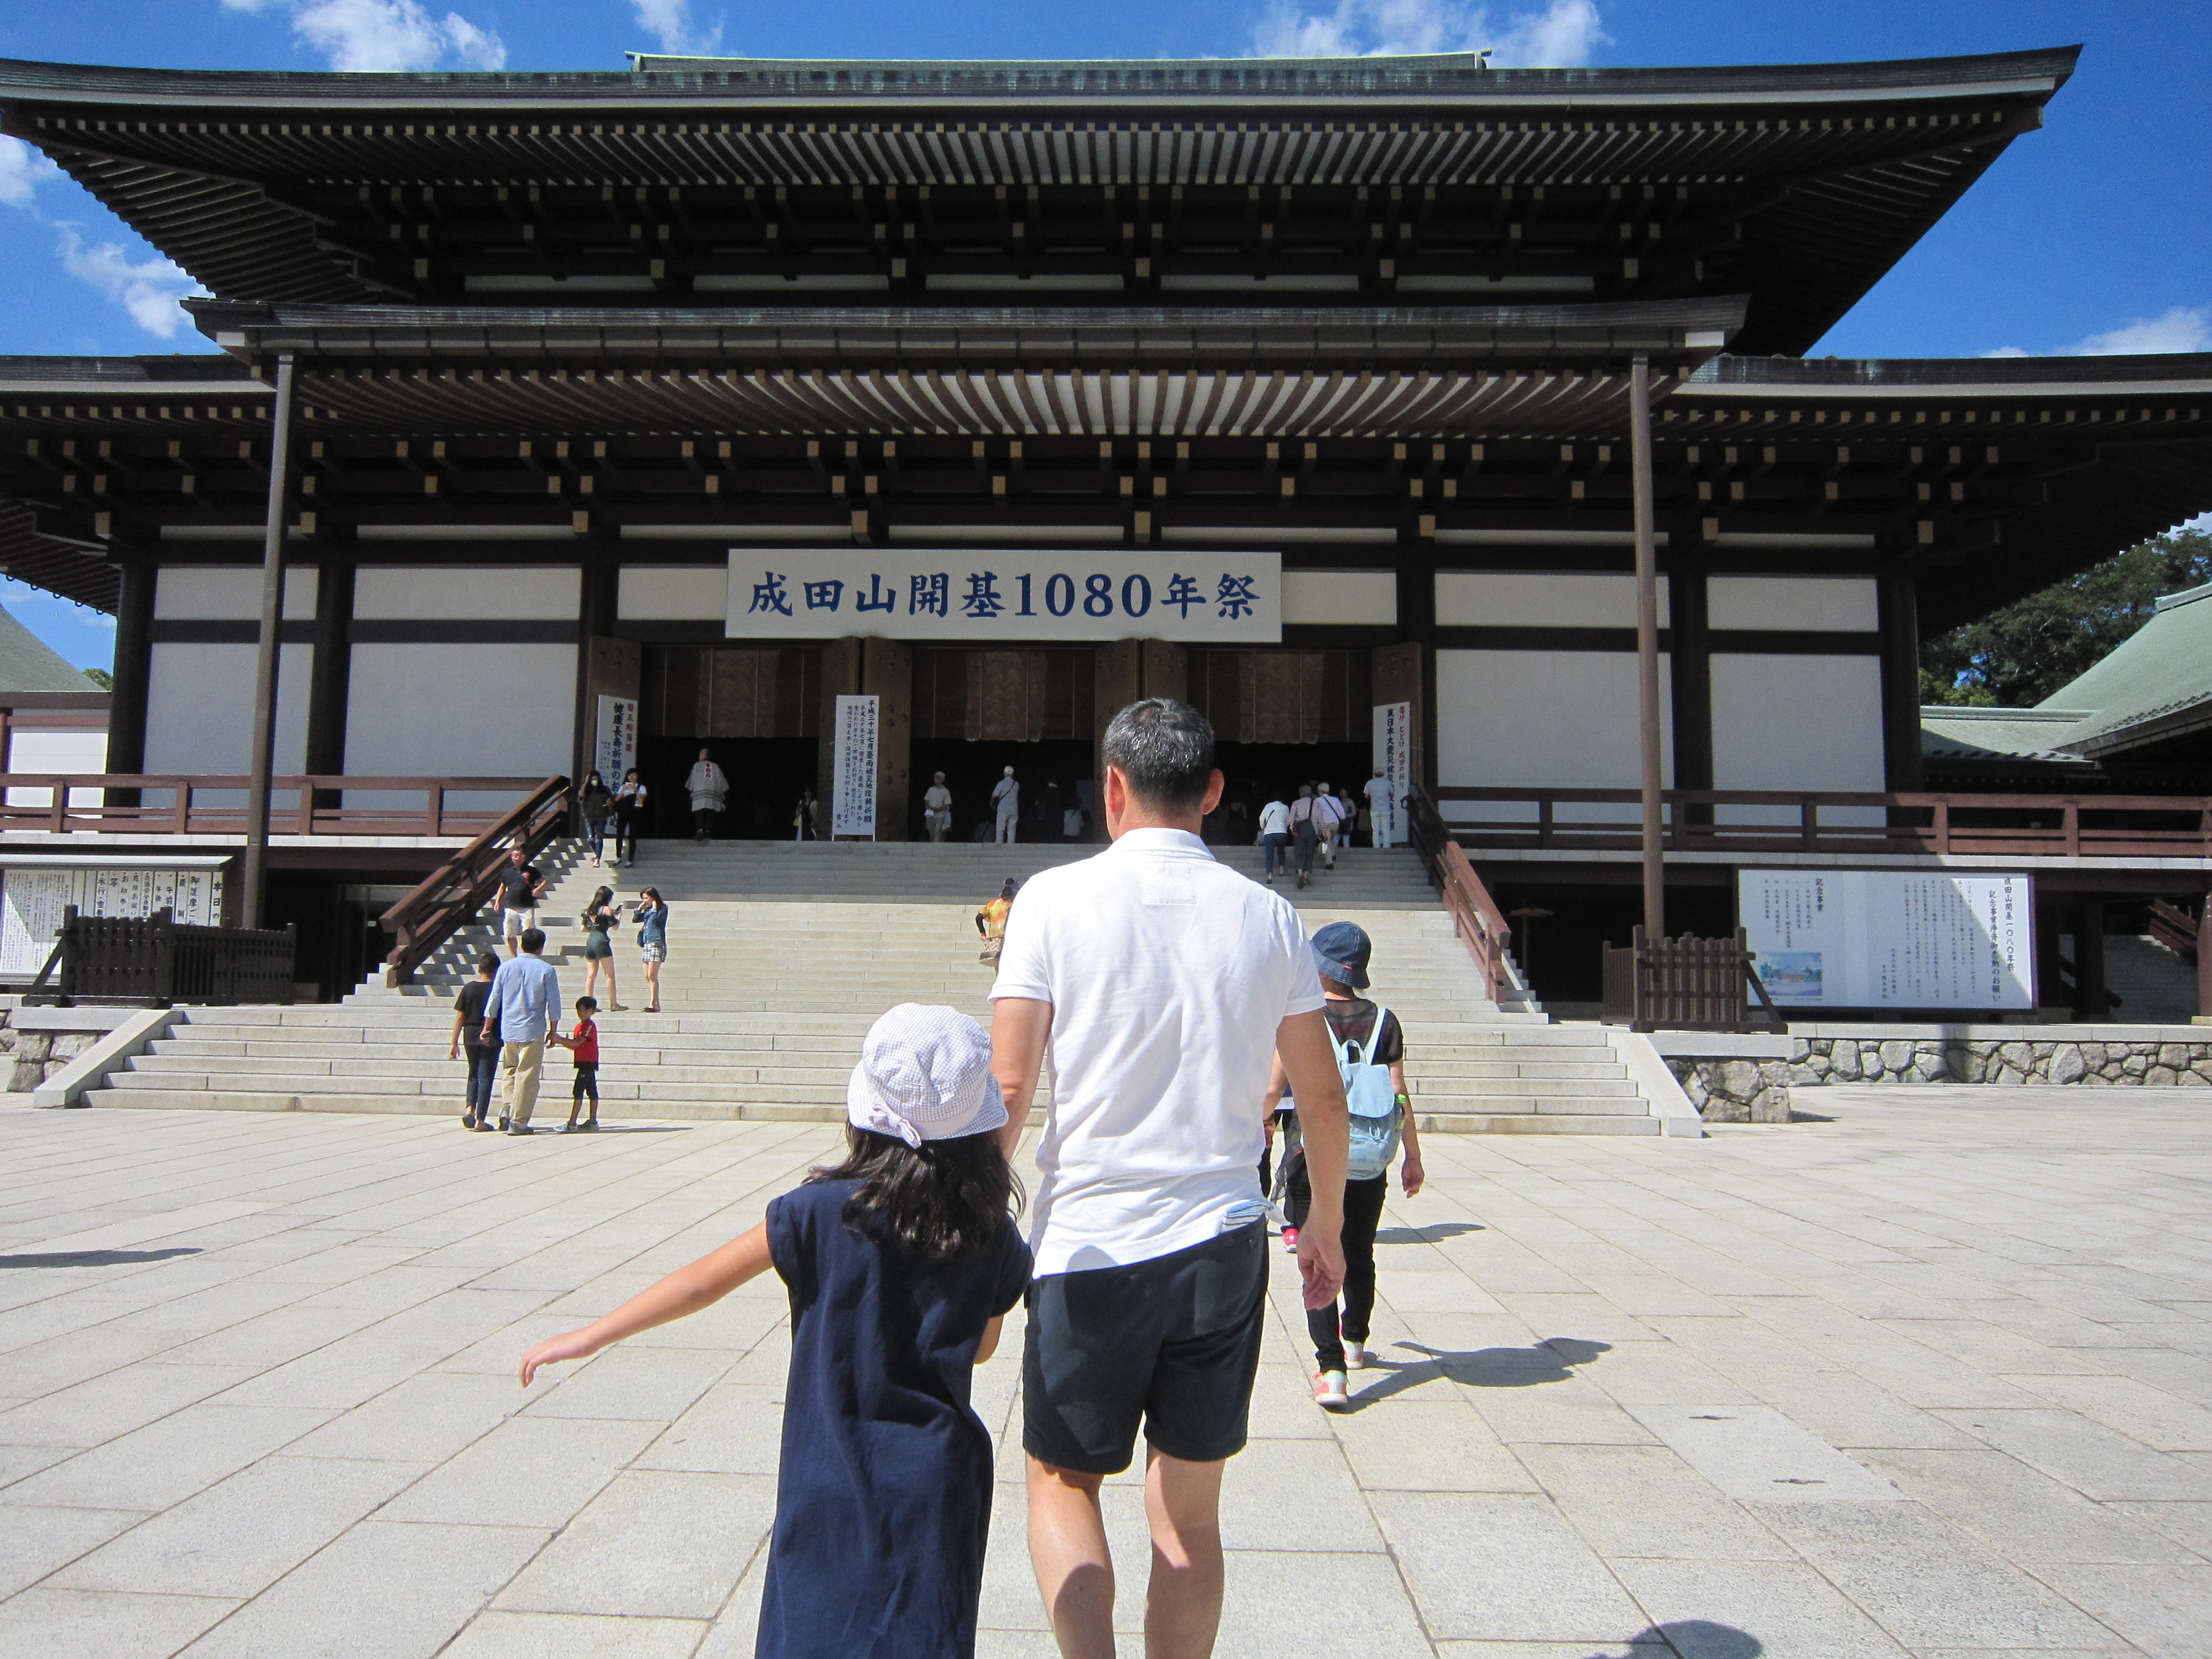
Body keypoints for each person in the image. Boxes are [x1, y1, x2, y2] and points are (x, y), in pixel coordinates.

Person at [988, 697, 1350, 1659]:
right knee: (1188, 1511)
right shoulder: (1271, 915)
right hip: (1223, 1243)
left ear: (1112, 787)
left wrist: (973, 1239)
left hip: (1089, 1245)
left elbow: (1011, 1086)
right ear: (1216, 793)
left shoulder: (1052, 903)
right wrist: (1327, 1229)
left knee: (1064, 1483)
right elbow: (1320, 1099)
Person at [518, 1002, 1030, 1659]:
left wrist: (591, 1334)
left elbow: (700, 1282)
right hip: (938, 1479)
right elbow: (981, 1350)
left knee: (812, 1631)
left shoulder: (818, 1214)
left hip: (829, 1471)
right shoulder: (991, 1230)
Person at [1262, 922, 1423, 1411]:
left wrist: (1261, 1122)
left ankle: (1330, 1370)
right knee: (1359, 1248)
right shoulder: (1385, 1020)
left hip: (1312, 1155)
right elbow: (1398, 1093)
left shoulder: (1302, 1016)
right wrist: (1412, 1156)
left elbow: (1273, 1087)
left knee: (1317, 1253)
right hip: (1371, 1154)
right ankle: (1354, 1341)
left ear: (1319, 966)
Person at [482, 926, 560, 1135]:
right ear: (541, 947)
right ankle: (519, 1121)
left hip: (509, 1027)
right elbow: (554, 1004)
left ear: (522, 944)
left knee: (510, 1070)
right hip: (532, 1029)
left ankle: (507, 1107)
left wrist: (487, 1026)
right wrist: (554, 1031)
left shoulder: (506, 968)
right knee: (527, 1075)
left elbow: (494, 999)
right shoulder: (546, 970)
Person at [448, 952, 502, 1131]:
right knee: (486, 1077)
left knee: (473, 1074)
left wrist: (454, 1042)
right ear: (497, 970)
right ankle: (481, 1119)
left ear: (480, 968)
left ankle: (469, 1110)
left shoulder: (468, 988)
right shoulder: (497, 989)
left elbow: (460, 1017)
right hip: (490, 1035)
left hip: (470, 1034)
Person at [550, 995, 602, 1133]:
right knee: (591, 1090)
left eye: (585, 1011)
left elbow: (578, 1042)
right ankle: (592, 1121)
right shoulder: (580, 1026)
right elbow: (576, 1045)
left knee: (578, 1091)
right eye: (580, 1011)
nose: (582, 1014)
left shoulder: (588, 1026)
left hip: (587, 1062)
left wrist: (560, 1040)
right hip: (584, 1061)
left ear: (592, 1011)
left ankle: (572, 1123)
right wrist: (562, 1042)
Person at [578, 885, 627, 1012]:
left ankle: (589, 1006)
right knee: (610, 975)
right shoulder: (606, 909)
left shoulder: (590, 910)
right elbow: (615, 927)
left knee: (591, 975)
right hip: (602, 941)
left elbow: (583, 929)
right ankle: (614, 1004)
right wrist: (619, 916)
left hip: (591, 941)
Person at [494, 846, 546, 959]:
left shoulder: (531, 870)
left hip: (527, 906)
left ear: (524, 857)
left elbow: (544, 881)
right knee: (509, 932)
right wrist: (498, 901)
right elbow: (502, 887)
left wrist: (538, 889)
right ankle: (514, 956)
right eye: (515, 856)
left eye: (520, 856)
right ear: (512, 857)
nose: (518, 858)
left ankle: (528, 954)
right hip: (510, 906)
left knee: (529, 932)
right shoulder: (508, 872)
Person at [635, 886, 667, 1014]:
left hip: (657, 943)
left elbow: (656, 920)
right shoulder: (647, 911)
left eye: (646, 898)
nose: (644, 901)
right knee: (647, 976)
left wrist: (654, 908)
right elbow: (636, 919)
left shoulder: (662, 910)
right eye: (643, 898)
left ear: (653, 898)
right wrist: (640, 908)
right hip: (647, 943)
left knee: (652, 975)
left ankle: (653, 1004)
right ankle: (656, 1003)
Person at [686, 748, 728, 843]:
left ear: (704, 755)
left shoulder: (697, 765)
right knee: (711, 811)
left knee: (699, 809)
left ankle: (700, 828)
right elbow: (721, 780)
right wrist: (722, 793)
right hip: (713, 791)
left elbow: (693, 779)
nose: (699, 755)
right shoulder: (716, 767)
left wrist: (692, 790)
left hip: (700, 790)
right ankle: (708, 831)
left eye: (701, 753)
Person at [975, 877, 1017, 967]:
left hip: (995, 942)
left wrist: (982, 932)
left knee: (999, 967)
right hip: (1012, 941)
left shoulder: (993, 904)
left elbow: (979, 917)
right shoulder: (1017, 905)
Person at [577, 770, 614, 867]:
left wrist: (609, 801)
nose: (595, 781)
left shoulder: (605, 789)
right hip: (589, 816)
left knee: (599, 837)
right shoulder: (587, 790)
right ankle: (596, 853)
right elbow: (581, 796)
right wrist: (586, 783)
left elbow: (611, 799)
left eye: (596, 780)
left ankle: (598, 859)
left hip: (602, 816)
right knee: (591, 839)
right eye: (592, 780)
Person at [1288, 784, 1321, 890]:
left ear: (1301, 793)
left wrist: (1293, 830)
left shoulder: (1296, 803)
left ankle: (1300, 873)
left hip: (1299, 832)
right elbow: (1320, 820)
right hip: (1312, 832)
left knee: (1299, 853)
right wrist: (1322, 831)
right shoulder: (1316, 804)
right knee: (1309, 854)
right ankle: (1306, 875)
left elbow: (1291, 820)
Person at [612, 768, 646, 867]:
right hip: (624, 811)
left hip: (635, 811)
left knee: (632, 835)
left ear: (637, 776)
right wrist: (623, 790)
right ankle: (618, 857)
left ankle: (630, 859)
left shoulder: (641, 787)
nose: (632, 777)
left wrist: (635, 791)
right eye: (630, 775)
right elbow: (617, 800)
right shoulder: (624, 786)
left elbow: (641, 801)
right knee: (620, 834)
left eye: (634, 775)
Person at [1257, 791, 1292, 884]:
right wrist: (1284, 828)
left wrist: (1263, 827)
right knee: (1281, 852)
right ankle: (1281, 869)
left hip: (1269, 833)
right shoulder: (1285, 808)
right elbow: (1289, 821)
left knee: (1269, 856)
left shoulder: (1268, 806)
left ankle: (1270, 875)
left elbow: (1262, 818)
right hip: (1281, 833)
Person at [1313, 780, 1345, 871]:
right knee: (1330, 839)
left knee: (1326, 842)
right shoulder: (1335, 799)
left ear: (1320, 791)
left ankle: (1329, 862)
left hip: (1325, 825)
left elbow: (1316, 815)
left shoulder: (1318, 801)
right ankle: (1333, 854)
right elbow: (1342, 814)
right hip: (1336, 824)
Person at [1364, 768, 1397, 851]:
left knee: (1375, 830)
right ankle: (1387, 847)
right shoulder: (1388, 783)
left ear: (1374, 774)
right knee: (1386, 829)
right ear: (1383, 774)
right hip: (1385, 808)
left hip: (1375, 809)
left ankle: (1376, 848)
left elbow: (1366, 796)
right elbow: (1392, 794)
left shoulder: (1370, 783)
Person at [991, 765, 1019, 844]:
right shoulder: (1016, 784)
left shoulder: (1001, 783)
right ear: (1012, 774)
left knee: (1000, 830)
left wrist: (992, 802)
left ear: (1004, 773)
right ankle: (1011, 847)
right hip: (1014, 810)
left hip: (1003, 809)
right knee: (1012, 831)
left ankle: (999, 846)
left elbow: (994, 795)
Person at [924, 772, 953, 843]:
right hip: (930, 813)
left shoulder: (946, 791)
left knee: (938, 831)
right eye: (935, 778)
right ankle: (934, 842)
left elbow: (947, 804)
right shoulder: (931, 790)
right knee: (931, 830)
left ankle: (936, 845)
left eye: (938, 778)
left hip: (940, 814)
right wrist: (928, 807)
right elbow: (927, 799)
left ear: (942, 780)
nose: (936, 780)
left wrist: (938, 809)